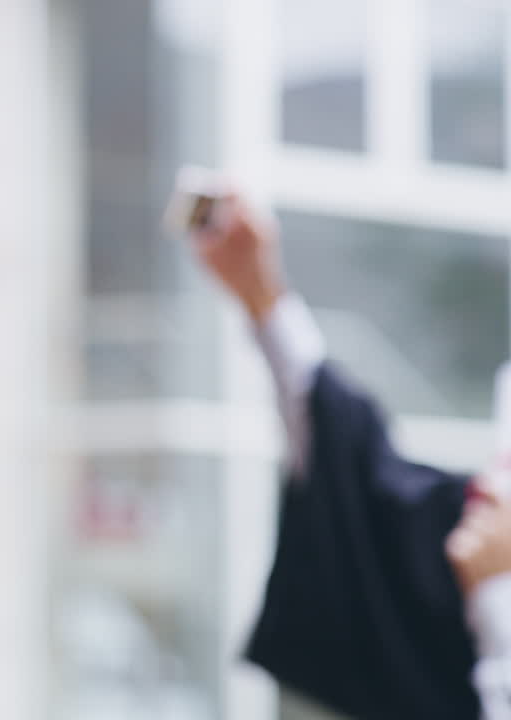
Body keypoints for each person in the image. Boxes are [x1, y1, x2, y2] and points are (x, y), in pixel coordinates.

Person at [190, 190, 511, 719]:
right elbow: (355, 472)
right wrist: (260, 293)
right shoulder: (467, 546)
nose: (490, 495)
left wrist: (501, 602)